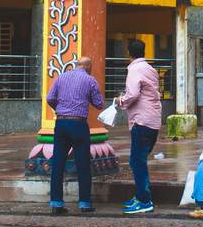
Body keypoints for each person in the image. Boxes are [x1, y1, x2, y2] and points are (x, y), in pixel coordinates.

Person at [45, 63, 104, 214]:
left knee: (58, 163)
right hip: (78, 124)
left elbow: (50, 98)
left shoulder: (61, 77)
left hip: (61, 122)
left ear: (77, 65)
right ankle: (84, 203)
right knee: (83, 164)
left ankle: (56, 203)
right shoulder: (90, 80)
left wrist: (59, 108)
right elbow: (99, 104)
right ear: (89, 67)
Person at [115, 42, 162, 215]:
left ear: (129, 53)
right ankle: (141, 195)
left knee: (136, 161)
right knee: (140, 160)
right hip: (153, 120)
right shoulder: (150, 69)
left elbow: (133, 94)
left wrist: (120, 100)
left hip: (141, 120)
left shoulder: (134, 69)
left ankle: (144, 200)